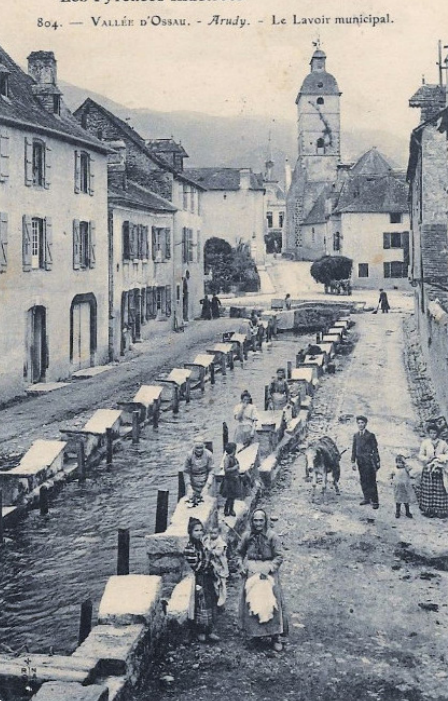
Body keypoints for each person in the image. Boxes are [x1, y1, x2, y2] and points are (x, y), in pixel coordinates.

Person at [237, 508, 287, 652]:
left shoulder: (272, 537)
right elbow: (239, 553)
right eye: (255, 520)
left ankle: (275, 635)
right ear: (251, 521)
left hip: (268, 573)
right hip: (252, 572)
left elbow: (279, 556)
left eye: (261, 520)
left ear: (265, 521)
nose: (258, 524)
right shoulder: (247, 536)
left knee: (271, 602)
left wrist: (269, 568)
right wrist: (241, 565)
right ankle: (255, 635)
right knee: (252, 603)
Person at [184, 517, 220, 643]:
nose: (199, 533)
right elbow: (197, 567)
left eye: (200, 530)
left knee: (210, 601)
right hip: (199, 579)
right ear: (190, 533)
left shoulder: (202, 545)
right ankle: (200, 630)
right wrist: (208, 557)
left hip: (207, 577)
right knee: (200, 604)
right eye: (196, 531)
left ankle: (209, 630)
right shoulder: (190, 548)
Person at [417, 423, 448, 518]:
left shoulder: (443, 443)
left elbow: (447, 454)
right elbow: (420, 455)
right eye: (431, 433)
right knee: (428, 490)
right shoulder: (425, 443)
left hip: (438, 469)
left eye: (435, 433)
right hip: (428, 469)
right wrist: (427, 459)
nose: (433, 435)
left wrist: (439, 458)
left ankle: (440, 511)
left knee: (439, 490)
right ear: (429, 433)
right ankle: (428, 510)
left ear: (437, 433)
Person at [351, 415, 381, 509]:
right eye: (358, 423)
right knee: (363, 480)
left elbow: (375, 449)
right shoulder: (356, 435)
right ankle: (366, 498)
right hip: (360, 462)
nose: (360, 425)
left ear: (365, 424)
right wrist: (353, 461)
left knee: (371, 481)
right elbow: (354, 449)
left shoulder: (370, 435)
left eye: (362, 423)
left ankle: (375, 501)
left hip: (369, 461)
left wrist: (377, 461)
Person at [203, 525, 229, 609]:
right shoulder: (209, 540)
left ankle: (222, 602)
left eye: (215, 533)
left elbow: (218, 553)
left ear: (219, 533)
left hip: (220, 566)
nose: (212, 535)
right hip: (212, 565)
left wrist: (210, 550)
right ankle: (215, 600)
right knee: (214, 584)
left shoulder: (221, 543)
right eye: (211, 533)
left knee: (221, 584)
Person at [184, 438, 214, 506]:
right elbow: (186, 472)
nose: (199, 450)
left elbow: (211, 471)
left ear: (204, 446)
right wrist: (189, 487)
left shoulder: (209, 455)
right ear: (194, 447)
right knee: (191, 502)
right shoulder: (189, 455)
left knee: (206, 503)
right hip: (193, 482)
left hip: (205, 481)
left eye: (201, 448)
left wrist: (207, 486)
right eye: (197, 448)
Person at [220, 442, 241, 517]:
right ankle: (226, 510)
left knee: (233, 497)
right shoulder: (227, 459)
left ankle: (231, 509)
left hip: (234, 480)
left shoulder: (234, 458)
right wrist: (234, 468)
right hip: (229, 481)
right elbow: (226, 469)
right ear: (233, 450)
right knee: (229, 497)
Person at [390, 454, 415, 519]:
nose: (399, 464)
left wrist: (406, 463)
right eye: (398, 462)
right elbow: (390, 475)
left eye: (401, 462)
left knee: (406, 501)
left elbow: (411, 467)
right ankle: (397, 512)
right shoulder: (394, 469)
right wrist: (391, 480)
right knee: (398, 500)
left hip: (405, 487)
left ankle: (407, 512)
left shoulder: (406, 468)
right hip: (397, 487)